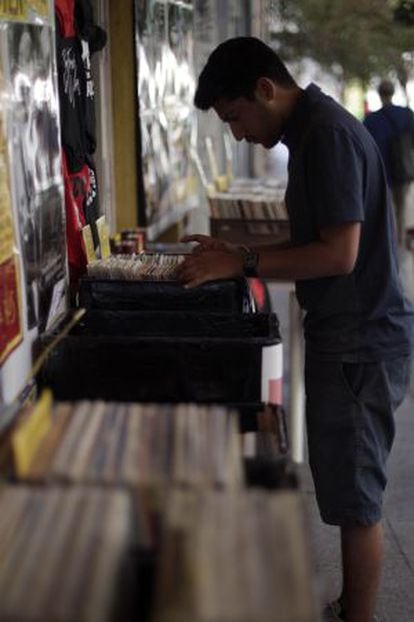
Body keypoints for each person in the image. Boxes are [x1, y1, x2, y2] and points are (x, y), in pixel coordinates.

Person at [176, 37, 414, 622]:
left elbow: (337, 255)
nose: (236, 133)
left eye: (235, 117)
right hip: (350, 335)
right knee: (345, 491)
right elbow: (318, 242)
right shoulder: (313, 130)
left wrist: (245, 263)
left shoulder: (327, 135)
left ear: (266, 89)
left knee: (358, 502)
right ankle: (348, 606)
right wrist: (241, 249)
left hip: (360, 341)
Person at [364, 79, 414, 244]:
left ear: (379, 94)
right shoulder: (406, 114)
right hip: (403, 170)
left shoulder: (371, 120)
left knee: (385, 209)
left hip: (381, 172)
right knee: (401, 208)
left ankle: (387, 241)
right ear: (393, 92)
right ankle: (398, 241)